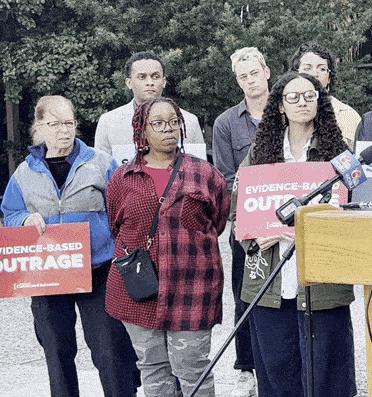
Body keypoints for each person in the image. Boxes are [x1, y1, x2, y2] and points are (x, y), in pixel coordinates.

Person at [1, 95, 139, 397]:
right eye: (54, 124)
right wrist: (24, 219)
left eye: (69, 122)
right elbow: (9, 214)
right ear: (39, 127)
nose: (64, 130)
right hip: (49, 274)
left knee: (110, 350)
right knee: (57, 352)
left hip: (98, 270)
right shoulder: (24, 172)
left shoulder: (100, 162)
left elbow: (124, 210)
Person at [230, 72, 357, 397]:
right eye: (293, 97)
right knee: (278, 380)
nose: (302, 102)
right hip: (270, 286)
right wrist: (254, 238)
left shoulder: (338, 153)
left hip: (323, 287)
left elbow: (358, 212)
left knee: (328, 382)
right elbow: (237, 212)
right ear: (280, 106)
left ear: (320, 101)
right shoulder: (260, 152)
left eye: (309, 95)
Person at [104, 97, 229, 397]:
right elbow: (116, 226)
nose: (168, 129)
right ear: (142, 131)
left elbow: (219, 221)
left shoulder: (206, 174)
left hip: (193, 289)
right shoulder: (123, 179)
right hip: (139, 292)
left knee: (193, 369)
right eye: (158, 124)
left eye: (174, 122)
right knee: (153, 368)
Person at [211, 46, 270, 397]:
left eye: (254, 72)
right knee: (246, 293)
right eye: (242, 76)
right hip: (247, 222)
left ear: (266, 71)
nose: (250, 80)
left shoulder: (287, 109)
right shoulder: (226, 123)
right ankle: (246, 367)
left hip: (288, 221)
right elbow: (225, 177)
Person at [95, 51, 204, 156]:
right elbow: (102, 169)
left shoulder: (189, 122)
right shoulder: (109, 122)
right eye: (142, 77)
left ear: (164, 82)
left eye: (155, 76)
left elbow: (200, 170)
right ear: (129, 83)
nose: (150, 83)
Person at [290, 41, 361, 147]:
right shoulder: (285, 112)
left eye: (322, 68)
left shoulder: (348, 116)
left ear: (329, 78)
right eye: (307, 68)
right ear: (296, 74)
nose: (315, 74)